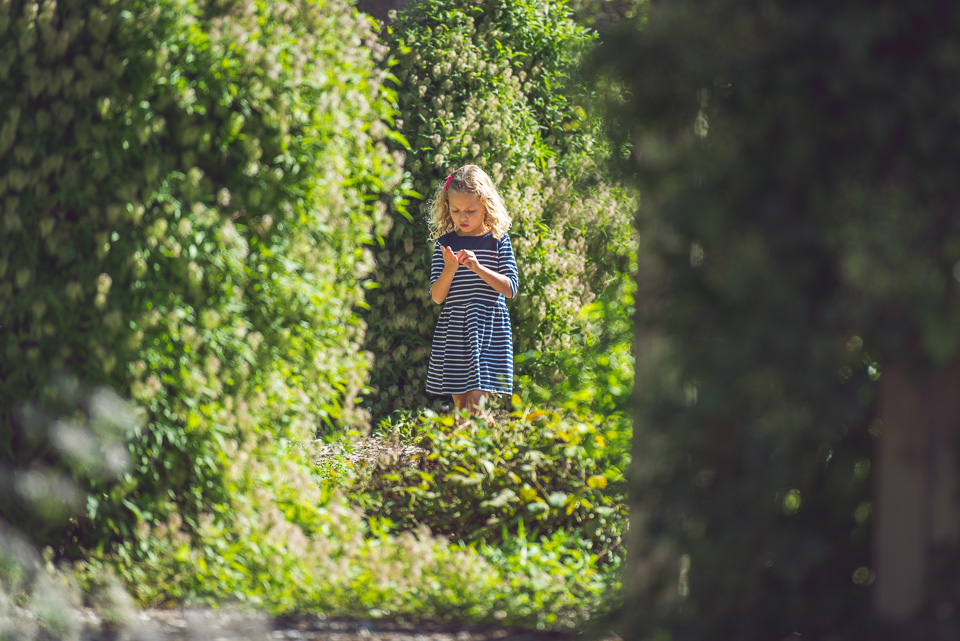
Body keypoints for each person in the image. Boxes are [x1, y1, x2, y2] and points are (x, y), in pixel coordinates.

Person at [426, 165, 519, 416]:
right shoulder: (445, 244)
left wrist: (478, 268)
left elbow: (510, 288)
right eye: (455, 211)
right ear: (447, 207)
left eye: (470, 210)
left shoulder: (498, 240)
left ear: (486, 206)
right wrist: (449, 269)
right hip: (456, 328)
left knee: (477, 404)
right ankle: (467, 452)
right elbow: (437, 297)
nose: (462, 217)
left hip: (489, 327)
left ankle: (480, 449)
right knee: (462, 408)